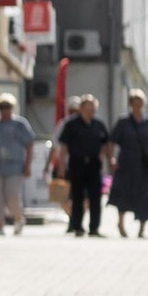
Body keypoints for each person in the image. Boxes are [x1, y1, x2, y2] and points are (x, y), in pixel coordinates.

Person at [0, 100, 36, 232]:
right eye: (2, 107)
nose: (5, 110)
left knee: (12, 195)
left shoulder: (20, 124)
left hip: (14, 167)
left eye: (8, 107)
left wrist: (28, 165)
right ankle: (0, 224)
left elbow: (29, 144)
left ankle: (18, 218)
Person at [111, 91, 148, 237]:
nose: (138, 106)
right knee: (124, 193)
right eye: (135, 102)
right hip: (126, 163)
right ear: (130, 104)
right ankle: (120, 222)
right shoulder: (123, 122)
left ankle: (142, 229)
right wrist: (112, 159)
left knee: (145, 195)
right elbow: (111, 142)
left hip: (145, 164)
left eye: (140, 102)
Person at [60, 94, 108, 238]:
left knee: (95, 197)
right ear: (80, 109)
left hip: (94, 164)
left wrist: (105, 160)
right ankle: (77, 226)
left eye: (92, 109)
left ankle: (94, 228)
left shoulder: (99, 124)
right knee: (77, 196)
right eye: (87, 109)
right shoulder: (71, 124)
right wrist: (61, 165)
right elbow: (63, 146)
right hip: (77, 164)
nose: (89, 112)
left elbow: (105, 144)